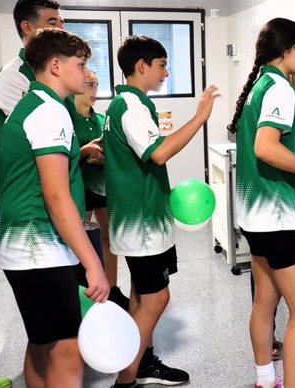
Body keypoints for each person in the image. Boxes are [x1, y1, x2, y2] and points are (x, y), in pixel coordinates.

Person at [0, 27, 109, 388]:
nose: (87, 74)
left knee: (42, 344)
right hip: (38, 252)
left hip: (21, 251)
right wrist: (94, 265)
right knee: (67, 353)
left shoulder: (31, 104)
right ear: (55, 65)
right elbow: (57, 198)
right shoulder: (50, 112)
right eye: (81, 65)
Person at [227, 18, 295, 388]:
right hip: (278, 219)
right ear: (288, 50)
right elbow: (266, 148)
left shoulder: (261, 84)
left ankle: (265, 379)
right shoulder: (279, 88)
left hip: (254, 219)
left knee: (265, 303)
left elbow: (265, 143)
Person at [104, 35, 218, 388]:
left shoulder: (125, 104)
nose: (166, 72)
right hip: (142, 225)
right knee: (157, 296)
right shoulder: (131, 106)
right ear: (142, 67)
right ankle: (126, 378)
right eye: (162, 65)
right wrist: (199, 118)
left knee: (141, 293)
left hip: (141, 218)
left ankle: (143, 363)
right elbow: (159, 153)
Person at [72, 70, 131, 310]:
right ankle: (84, 291)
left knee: (109, 239)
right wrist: (83, 150)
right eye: (89, 85)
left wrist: (105, 157)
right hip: (78, 188)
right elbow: (58, 158)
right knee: (82, 241)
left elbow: (114, 152)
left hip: (102, 185)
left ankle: (112, 287)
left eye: (97, 85)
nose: (94, 92)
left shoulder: (100, 119)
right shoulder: (66, 118)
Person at [0, 0, 63, 134]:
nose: (61, 30)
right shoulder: (11, 77)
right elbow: (41, 131)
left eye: (62, 23)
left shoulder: (59, 70)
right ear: (27, 27)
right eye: (52, 23)